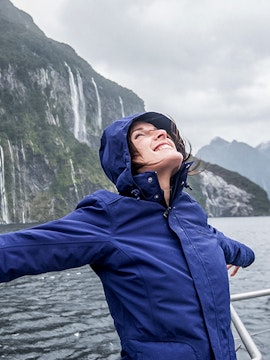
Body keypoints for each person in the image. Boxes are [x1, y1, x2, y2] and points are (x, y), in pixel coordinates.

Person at [0, 111, 255, 359]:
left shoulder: (190, 214)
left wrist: (241, 257)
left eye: (162, 132)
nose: (161, 134)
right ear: (127, 158)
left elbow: (227, 246)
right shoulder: (109, 218)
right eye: (141, 135)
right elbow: (17, 250)